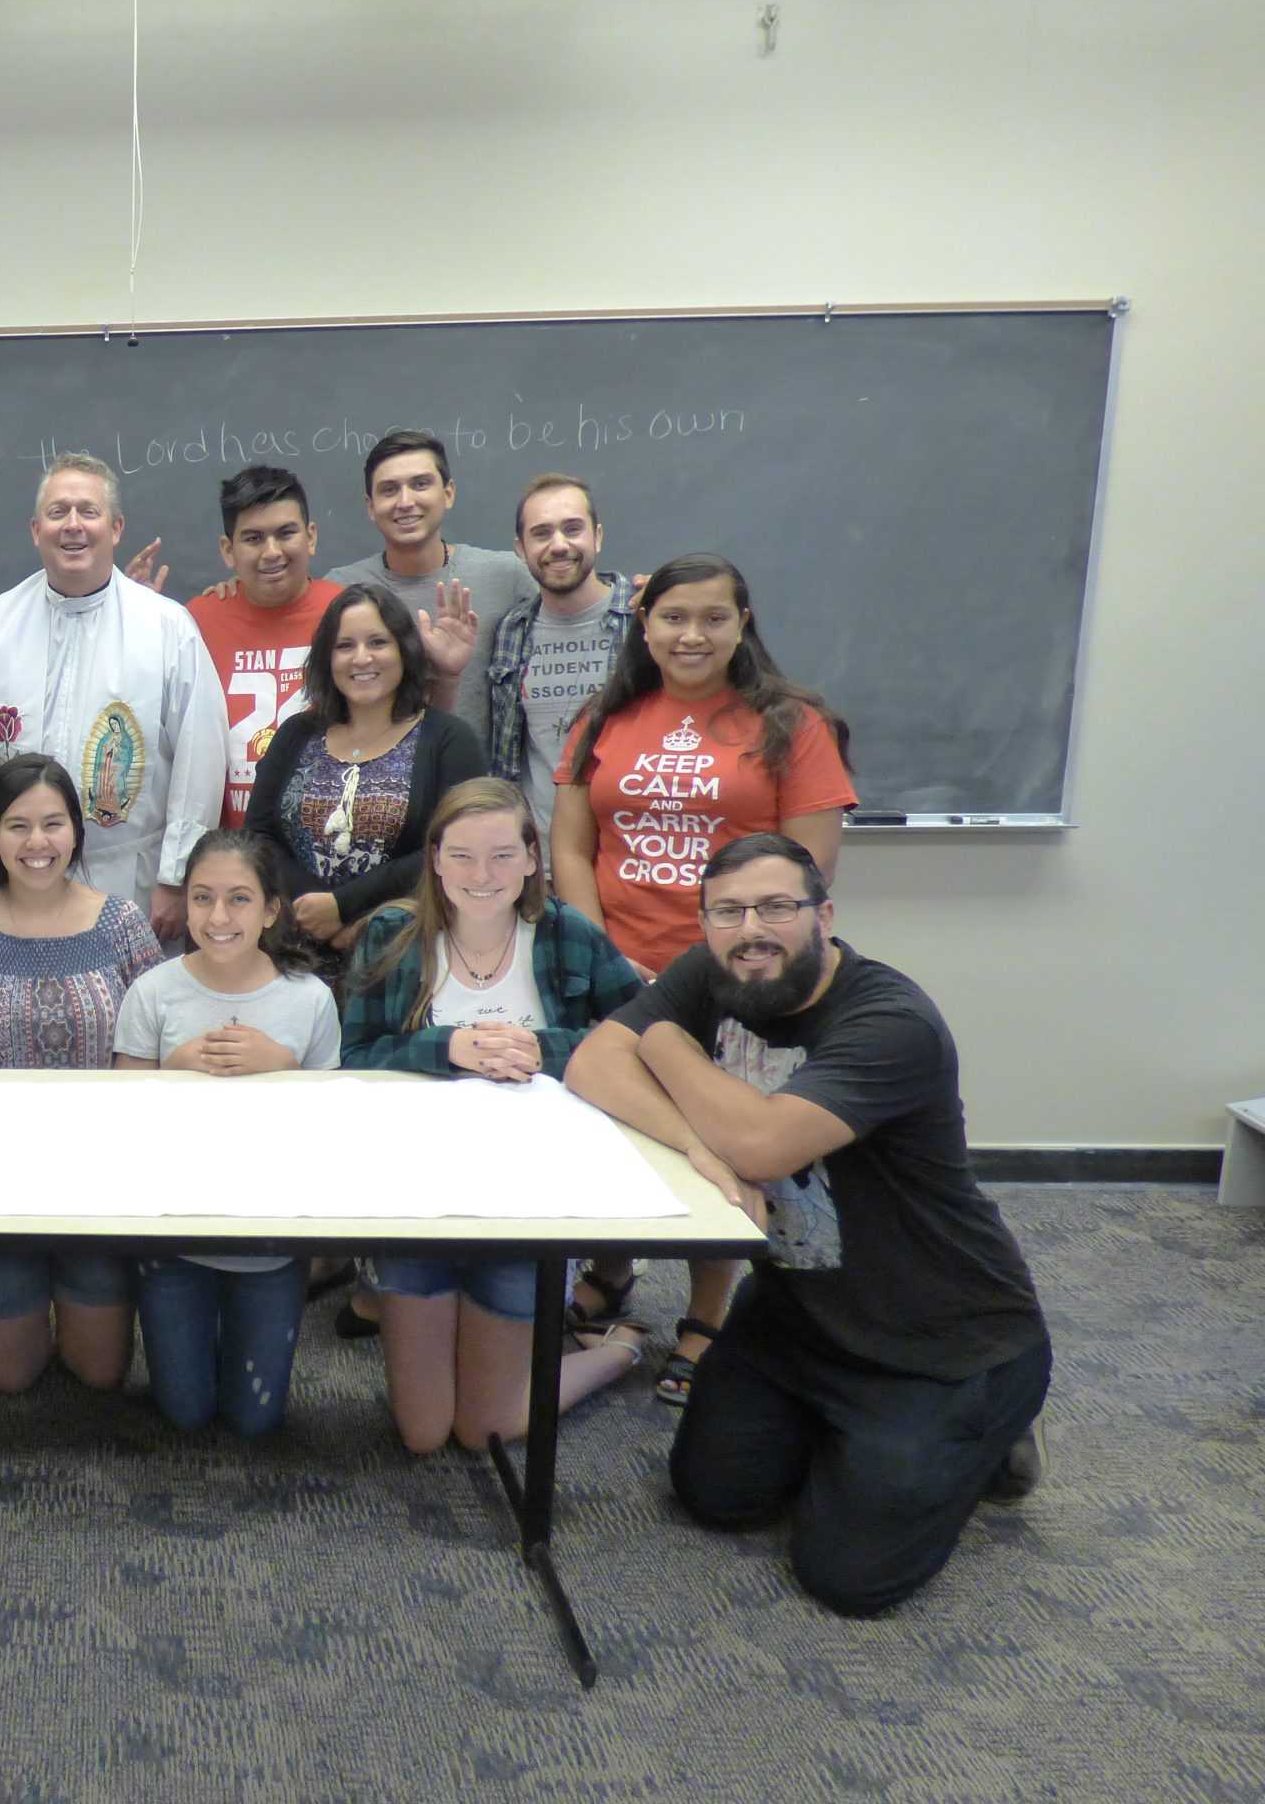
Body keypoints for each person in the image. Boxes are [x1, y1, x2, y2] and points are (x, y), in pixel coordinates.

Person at [565, 834, 1052, 1615]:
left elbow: (762, 1143)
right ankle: (859, 1450)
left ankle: (991, 1440)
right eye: (725, 911)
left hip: (941, 1339)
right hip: (798, 1315)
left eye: (776, 906)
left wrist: (659, 1035)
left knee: (850, 1580)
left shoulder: (891, 1021)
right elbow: (592, 1062)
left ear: (824, 914)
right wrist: (697, 1145)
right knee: (713, 1496)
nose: (750, 928)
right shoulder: (718, 967)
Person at [550, 553, 856, 1400]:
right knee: (617, 1127)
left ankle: (707, 1313)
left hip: (735, 978)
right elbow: (573, 849)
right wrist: (600, 951)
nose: (691, 635)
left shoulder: (791, 725)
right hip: (618, 966)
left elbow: (805, 872)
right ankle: (611, 1276)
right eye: (672, 617)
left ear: (742, 623)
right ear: (642, 626)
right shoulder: (604, 717)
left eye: (712, 618)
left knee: (721, 1144)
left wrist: (722, 959)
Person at [337, 779, 650, 1453]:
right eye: (464, 856)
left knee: (486, 1430)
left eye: (504, 855)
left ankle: (616, 1351)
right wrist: (445, 1046)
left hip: (529, 1200)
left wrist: (546, 1049)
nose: (483, 876)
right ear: (436, 859)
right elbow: (355, 1057)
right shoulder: (393, 935)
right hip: (418, 1198)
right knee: (423, 1434)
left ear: (534, 858)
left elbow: (640, 1040)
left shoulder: (568, 934)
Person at [0, 756, 166, 1393]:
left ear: (76, 832)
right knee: (11, 1376)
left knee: (99, 1375)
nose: (37, 843)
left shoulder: (121, 923)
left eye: (53, 824)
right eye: (18, 826)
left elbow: (160, 1041)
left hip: (99, 1179)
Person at [112, 829, 338, 1436]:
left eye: (239, 899)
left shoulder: (310, 1000)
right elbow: (121, 1120)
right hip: (174, 1230)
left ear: (270, 910)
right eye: (202, 897)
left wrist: (285, 1068)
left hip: (270, 1235)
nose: (217, 916)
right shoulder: (154, 992)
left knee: (255, 1420)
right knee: (183, 1413)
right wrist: (173, 1069)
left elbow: (332, 1133)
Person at [0, 452, 229, 945]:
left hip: (131, 883)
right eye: (58, 513)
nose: (73, 526)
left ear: (117, 527)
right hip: (15, 878)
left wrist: (175, 876)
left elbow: (201, 757)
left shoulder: (166, 628)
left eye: (88, 511)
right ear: (35, 529)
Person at [244, 583, 490, 962]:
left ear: (404, 651)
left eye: (377, 642)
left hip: (406, 955)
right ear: (327, 657)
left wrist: (344, 907)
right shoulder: (296, 733)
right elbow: (259, 836)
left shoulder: (449, 740)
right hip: (291, 955)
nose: (361, 658)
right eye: (345, 646)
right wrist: (316, 910)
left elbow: (456, 848)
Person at [324, 428, 527, 734]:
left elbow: (576, 608)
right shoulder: (339, 589)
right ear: (370, 506)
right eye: (389, 489)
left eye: (420, 484)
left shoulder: (507, 575)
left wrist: (628, 594)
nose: (405, 502)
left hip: (482, 779)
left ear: (448, 493)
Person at [186, 465, 344, 829]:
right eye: (253, 538)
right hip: (231, 853)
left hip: (327, 845)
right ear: (228, 550)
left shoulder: (347, 614)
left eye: (285, 533)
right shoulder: (195, 622)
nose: (271, 552)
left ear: (311, 536)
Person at [483, 475, 635, 833]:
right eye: (541, 533)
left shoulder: (646, 619)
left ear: (597, 536)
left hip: (625, 850)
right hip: (538, 860)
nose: (559, 545)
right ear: (521, 548)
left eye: (572, 528)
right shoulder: (511, 630)